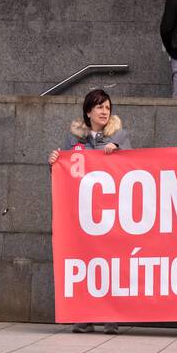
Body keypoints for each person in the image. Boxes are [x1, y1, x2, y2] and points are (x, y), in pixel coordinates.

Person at [48, 88, 131, 335]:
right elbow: (63, 176)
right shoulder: (74, 140)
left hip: (110, 213)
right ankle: (84, 316)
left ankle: (110, 317)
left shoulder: (120, 135)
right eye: (99, 107)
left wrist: (117, 150)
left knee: (109, 264)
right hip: (83, 214)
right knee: (85, 263)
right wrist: (55, 162)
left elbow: (133, 166)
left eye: (107, 107)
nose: (104, 111)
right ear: (88, 112)